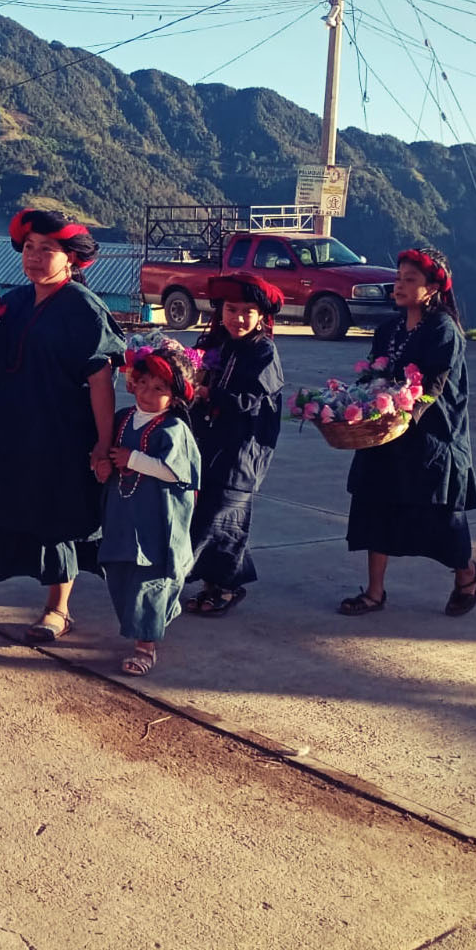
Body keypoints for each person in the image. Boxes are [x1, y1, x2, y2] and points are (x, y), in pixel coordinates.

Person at [0, 208, 125, 641]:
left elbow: (101, 380)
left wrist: (103, 443)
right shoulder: (12, 302)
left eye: (46, 249)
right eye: (29, 248)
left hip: (58, 432)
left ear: (71, 258)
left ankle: (58, 609)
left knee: (56, 516)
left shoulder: (84, 309)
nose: (33, 257)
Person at [340, 247, 476, 617]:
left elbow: (433, 386)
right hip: (386, 437)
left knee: (439, 515)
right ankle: (375, 593)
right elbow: (372, 376)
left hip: (431, 438)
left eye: (411, 280)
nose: (400, 285)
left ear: (432, 288)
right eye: (399, 278)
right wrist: (355, 407)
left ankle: (467, 574)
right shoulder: (389, 329)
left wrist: (399, 416)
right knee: (376, 506)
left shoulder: (443, 329)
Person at [183, 273, 285, 616]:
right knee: (207, 512)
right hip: (207, 442)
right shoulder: (213, 344)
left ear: (261, 317)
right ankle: (215, 583)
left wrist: (210, 393)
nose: (237, 318)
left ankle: (227, 586)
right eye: (231, 309)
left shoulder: (264, 351)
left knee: (223, 515)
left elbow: (251, 399)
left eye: (247, 311)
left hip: (242, 448)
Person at [99, 343, 201, 676]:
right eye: (143, 383)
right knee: (119, 572)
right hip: (123, 516)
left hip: (157, 521)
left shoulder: (174, 429)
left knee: (150, 579)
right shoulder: (123, 419)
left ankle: (145, 645)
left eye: (158, 389)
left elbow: (177, 471)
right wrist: (99, 463)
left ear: (174, 397)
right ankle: (152, 619)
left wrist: (134, 460)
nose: (146, 392)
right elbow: (103, 450)